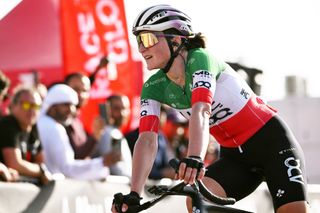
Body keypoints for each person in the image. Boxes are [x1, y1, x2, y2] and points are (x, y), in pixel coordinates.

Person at [112, 4, 309, 213]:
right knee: (196, 202)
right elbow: (147, 139)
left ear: (176, 40)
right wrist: (135, 193)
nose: (142, 48)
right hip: (235, 158)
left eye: (148, 39)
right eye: (139, 41)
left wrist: (195, 157)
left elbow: (201, 110)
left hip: (272, 144)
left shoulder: (200, 58)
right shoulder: (153, 87)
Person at [37, 84, 120, 180]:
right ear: (52, 106)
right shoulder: (53, 128)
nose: (71, 110)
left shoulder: (43, 123)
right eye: (65, 105)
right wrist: (102, 163)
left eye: (72, 105)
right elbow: (67, 168)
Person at [0, 86, 51, 185]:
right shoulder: (7, 124)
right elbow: (14, 164)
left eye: (36, 106)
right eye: (27, 105)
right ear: (12, 106)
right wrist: (41, 171)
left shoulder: (33, 126)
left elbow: (40, 162)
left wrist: (40, 170)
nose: (32, 110)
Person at [64, 72, 105, 159]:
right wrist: (95, 136)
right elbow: (75, 157)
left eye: (85, 91)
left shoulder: (77, 119)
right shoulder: (61, 119)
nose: (81, 95)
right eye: (76, 89)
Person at [93, 94, 132, 177]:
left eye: (124, 108)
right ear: (107, 110)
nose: (122, 113)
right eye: (116, 108)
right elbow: (114, 168)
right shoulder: (108, 133)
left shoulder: (115, 132)